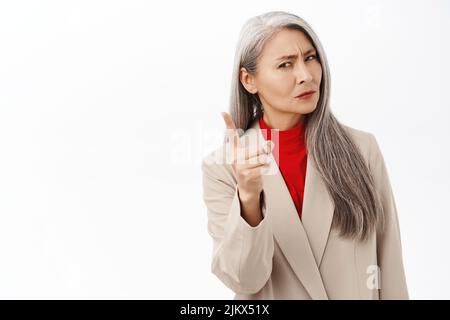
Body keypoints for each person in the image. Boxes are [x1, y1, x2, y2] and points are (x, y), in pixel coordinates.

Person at [201, 11, 408, 299]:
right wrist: (248, 198)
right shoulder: (222, 167)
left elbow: (389, 263)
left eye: (310, 58)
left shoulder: (363, 150)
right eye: (285, 65)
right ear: (249, 80)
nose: (306, 76)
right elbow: (245, 281)